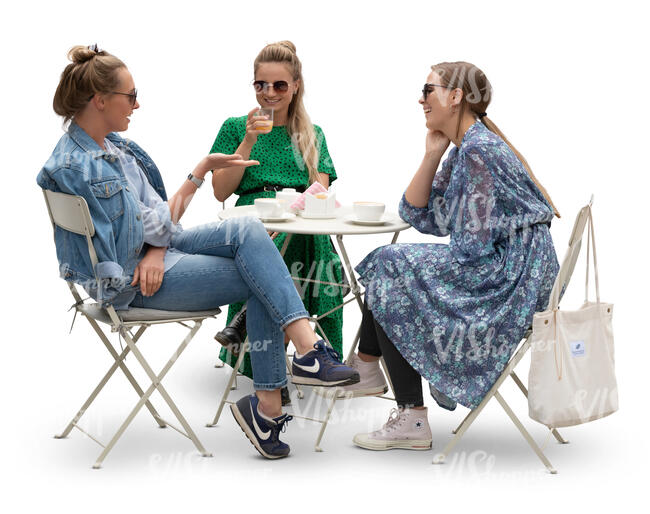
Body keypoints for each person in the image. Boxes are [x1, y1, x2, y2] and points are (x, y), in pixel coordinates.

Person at [37, 45, 358, 460]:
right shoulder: (79, 168)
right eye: (131, 96)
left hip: (161, 249)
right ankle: (284, 387)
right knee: (261, 273)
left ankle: (300, 363)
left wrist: (192, 183)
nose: (137, 104)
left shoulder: (116, 149)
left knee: (247, 228)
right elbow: (136, 237)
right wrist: (158, 240)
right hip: (130, 281)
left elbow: (157, 221)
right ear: (101, 100)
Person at [340, 61, 560, 451]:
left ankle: (392, 394)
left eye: (429, 90)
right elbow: (421, 215)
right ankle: (372, 370)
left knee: (391, 265)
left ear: (455, 97)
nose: (421, 99)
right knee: (391, 264)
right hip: (510, 267)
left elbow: (470, 248)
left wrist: (422, 266)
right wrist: (431, 156)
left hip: (513, 278)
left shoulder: (479, 151)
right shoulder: (465, 148)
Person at [209, 41, 346, 400]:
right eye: (261, 85)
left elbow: (321, 191)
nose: (269, 93)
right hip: (253, 220)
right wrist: (248, 142)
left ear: (296, 85)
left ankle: (275, 357)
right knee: (265, 242)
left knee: (301, 246)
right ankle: (294, 361)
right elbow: (220, 191)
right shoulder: (236, 127)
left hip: (299, 220)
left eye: (279, 85)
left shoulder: (312, 135)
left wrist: (294, 207)